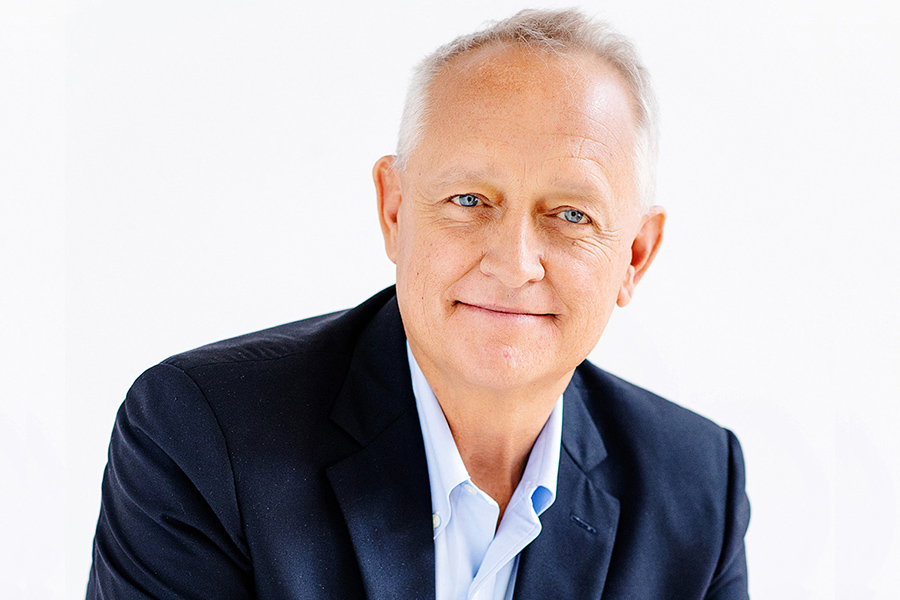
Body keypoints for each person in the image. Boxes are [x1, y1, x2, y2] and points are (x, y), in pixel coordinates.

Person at [87, 8, 750, 600]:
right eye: (469, 200)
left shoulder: (695, 487)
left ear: (635, 255)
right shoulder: (201, 437)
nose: (514, 263)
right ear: (395, 210)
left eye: (571, 214)